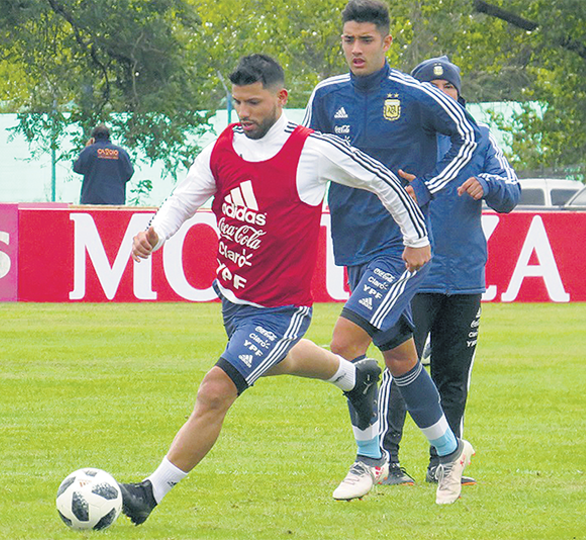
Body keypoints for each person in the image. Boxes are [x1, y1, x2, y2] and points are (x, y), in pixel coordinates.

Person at [119, 53, 430, 525]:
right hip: (234, 300)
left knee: (216, 390)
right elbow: (185, 198)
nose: (244, 113)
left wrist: (416, 238)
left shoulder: (310, 150)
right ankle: (355, 377)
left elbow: (381, 178)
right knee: (275, 359)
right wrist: (154, 233)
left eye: (255, 103)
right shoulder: (223, 145)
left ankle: (148, 494)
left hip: (282, 309)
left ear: (281, 98)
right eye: (238, 102)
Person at [302, 0, 477, 504]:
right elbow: (311, 158)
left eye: (367, 40)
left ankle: (369, 459)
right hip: (352, 241)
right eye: (349, 40)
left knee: (344, 346)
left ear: (387, 43)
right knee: (400, 356)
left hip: (401, 246)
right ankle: (448, 449)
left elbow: (467, 136)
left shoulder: (415, 95)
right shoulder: (326, 94)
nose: (356, 48)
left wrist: (430, 185)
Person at [379, 55, 521, 486]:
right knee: (404, 367)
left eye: (450, 89)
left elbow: (511, 191)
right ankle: (385, 460)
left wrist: (490, 184)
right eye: (433, 90)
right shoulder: (402, 138)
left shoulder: (479, 138)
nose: (443, 96)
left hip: (464, 275)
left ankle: (445, 461)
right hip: (413, 271)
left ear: (460, 95)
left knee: (453, 373)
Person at [72, 124, 134, 205]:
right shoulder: (121, 153)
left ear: (93, 138)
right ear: (108, 136)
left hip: (92, 203)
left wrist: (86, 149)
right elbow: (129, 173)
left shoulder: (89, 151)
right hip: (116, 203)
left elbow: (77, 167)